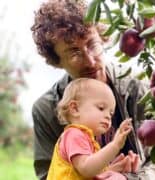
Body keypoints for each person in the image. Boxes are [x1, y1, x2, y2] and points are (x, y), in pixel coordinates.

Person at [31, 0, 146, 179]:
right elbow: (49, 175)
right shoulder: (46, 110)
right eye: (74, 53)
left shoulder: (137, 90)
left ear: (102, 38)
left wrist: (128, 177)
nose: (90, 61)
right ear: (57, 61)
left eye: (93, 45)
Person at [47, 78, 136, 179]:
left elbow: (91, 173)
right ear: (75, 109)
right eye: (101, 108)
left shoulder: (87, 138)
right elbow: (86, 169)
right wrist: (115, 146)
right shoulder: (74, 135)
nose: (107, 116)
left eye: (111, 114)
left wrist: (113, 169)